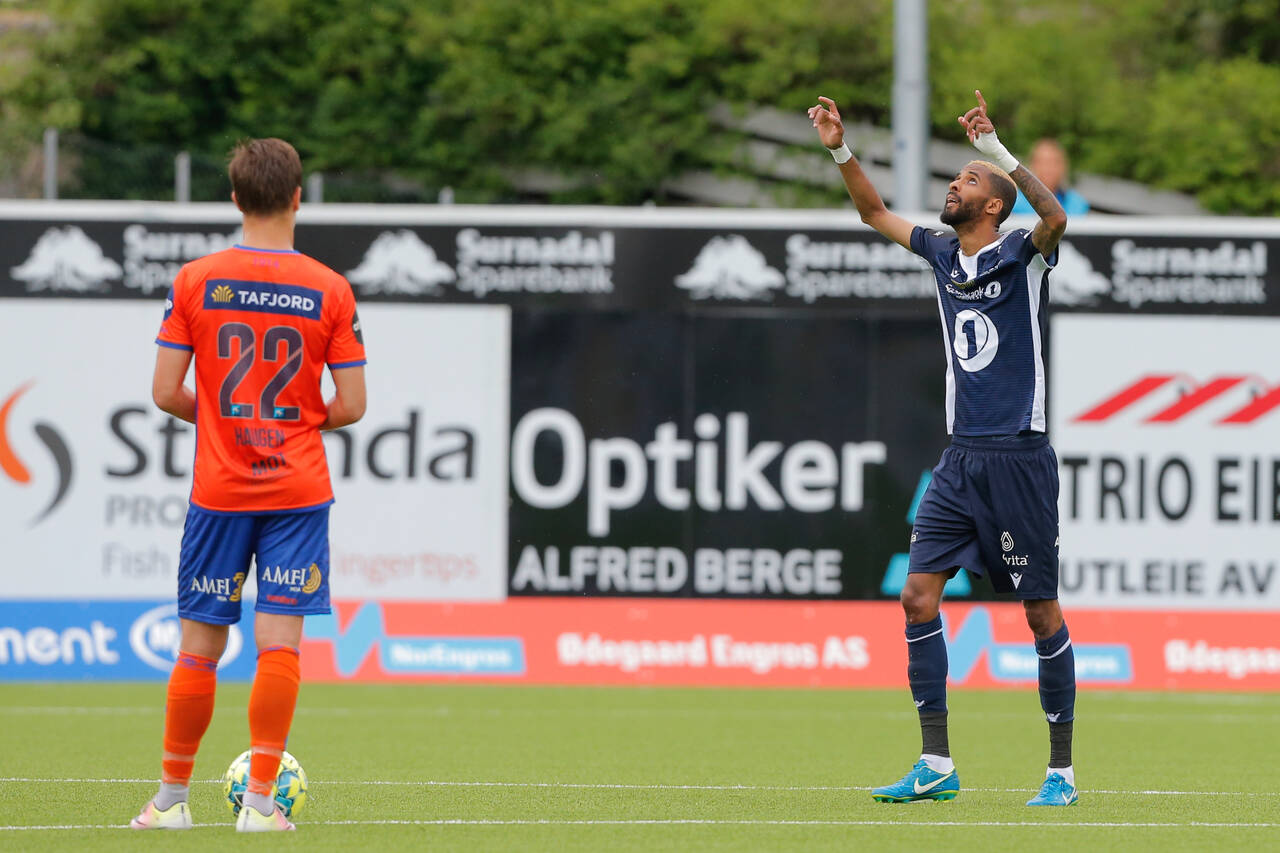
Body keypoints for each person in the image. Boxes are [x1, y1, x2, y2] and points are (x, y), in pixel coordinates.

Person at [808, 91, 1077, 807]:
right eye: (957, 175)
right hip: (960, 461)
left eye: (967, 180)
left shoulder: (1023, 252)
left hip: (1019, 458)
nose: (954, 185)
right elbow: (872, 213)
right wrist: (839, 148)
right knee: (916, 594)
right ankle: (936, 763)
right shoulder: (938, 250)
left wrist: (998, 152)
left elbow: (1055, 216)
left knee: (1040, 612)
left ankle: (1061, 772)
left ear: (992, 204)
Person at [129, 138, 367, 832]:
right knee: (280, 645)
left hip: (220, 492)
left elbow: (166, 390)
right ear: (299, 197)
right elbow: (351, 405)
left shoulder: (197, 279)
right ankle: (261, 804)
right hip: (296, 491)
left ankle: (171, 801)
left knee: (198, 648)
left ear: (236, 199)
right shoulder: (329, 287)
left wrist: (232, 417)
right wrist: (288, 417)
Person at [1011, 138, 1089, 216]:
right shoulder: (1014, 205)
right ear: (1031, 166)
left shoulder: (1078, 204)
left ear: (1063, 166)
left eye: (1054, 162)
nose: (1048, 168)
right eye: (1043, 162)